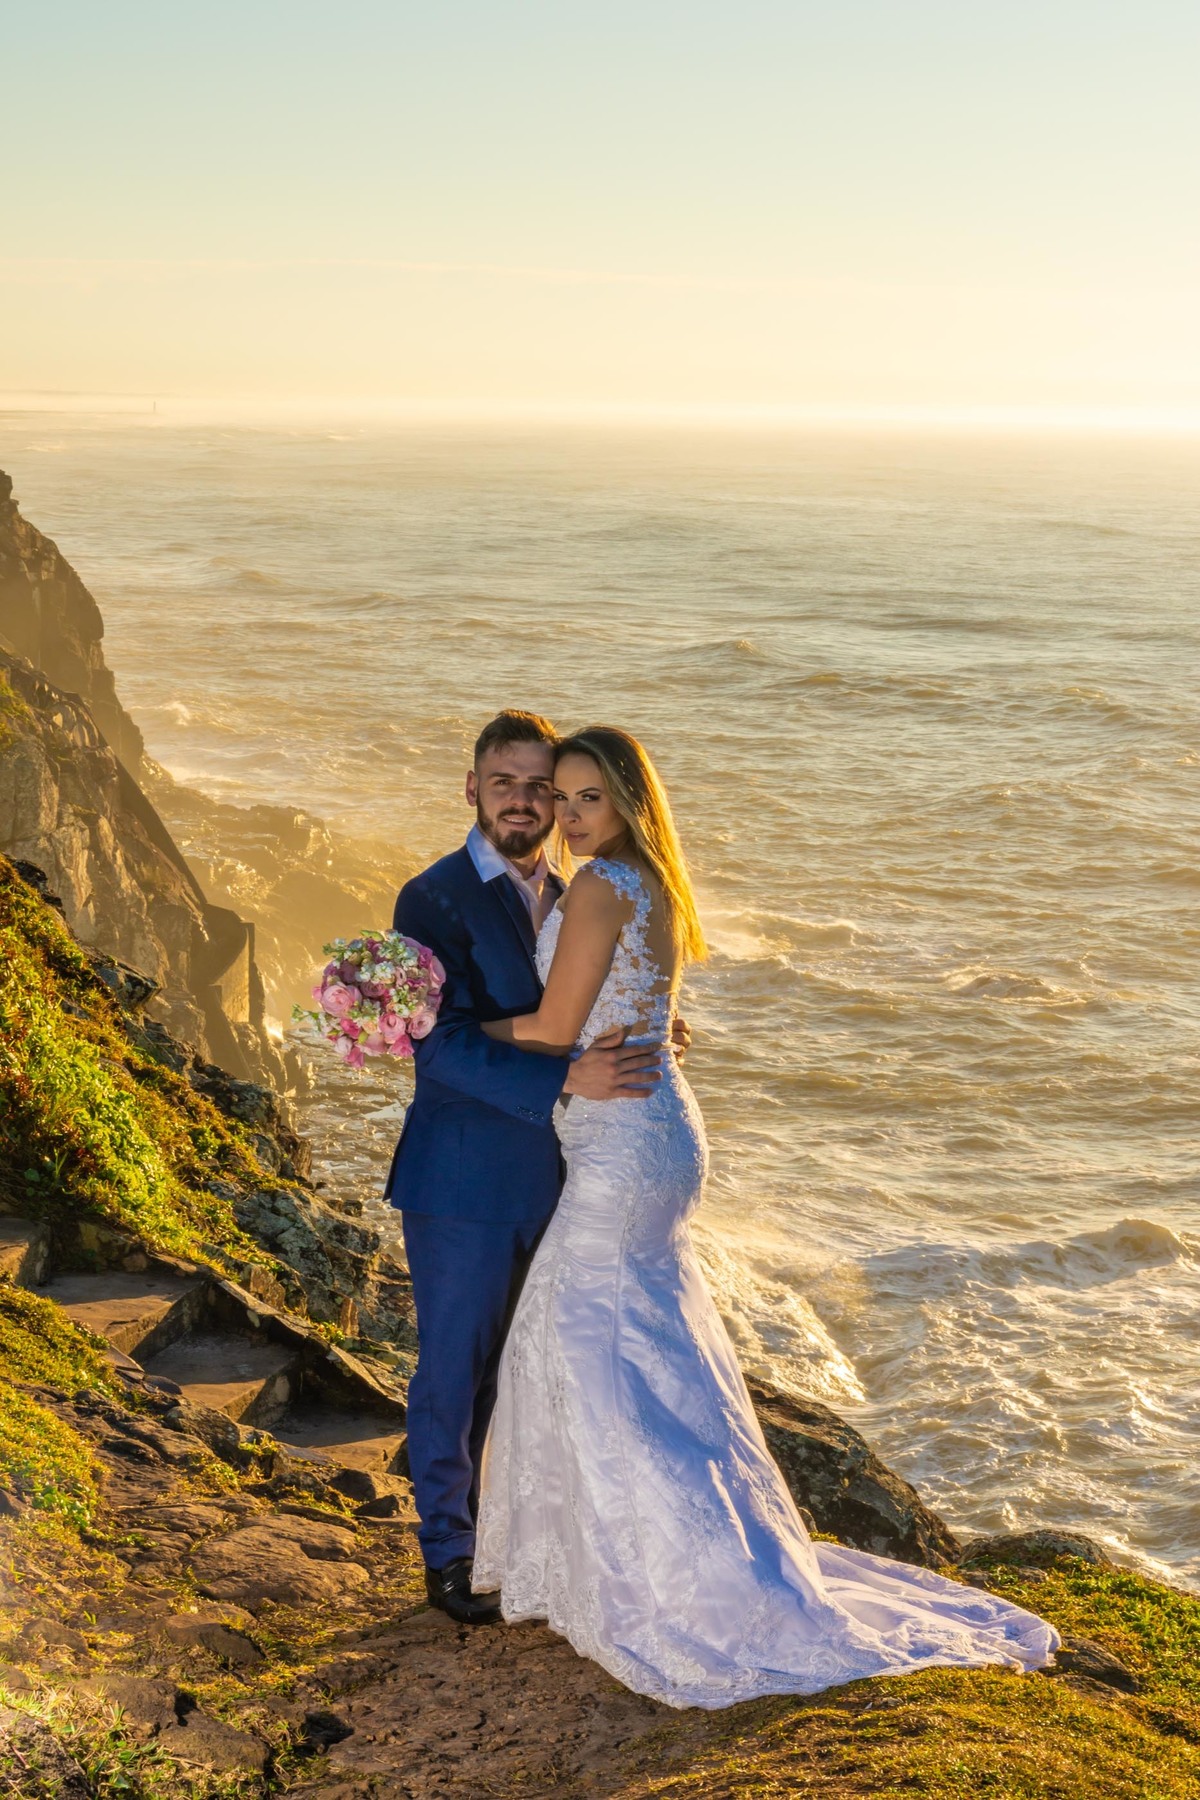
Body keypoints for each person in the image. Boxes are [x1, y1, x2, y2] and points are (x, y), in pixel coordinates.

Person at [473, 724, 1060, 1709]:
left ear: (627, 804)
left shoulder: (600, 888)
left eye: (588, 800)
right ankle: (628, 1558)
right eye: (560, 800)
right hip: (657, 1130)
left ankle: (669, 1580)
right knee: (641, 1343)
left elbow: (550, 1028)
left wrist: (437, 1018)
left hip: (623, 1147)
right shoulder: (651, 886)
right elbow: (643, 1005)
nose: (569, 818)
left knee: (580, 1341)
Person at [384, 710, 688, 1626]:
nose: (528, 801)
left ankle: (531, 1543)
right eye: (507, 782)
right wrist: (567, 1067)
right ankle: (449, 1554)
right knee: (455, 1368)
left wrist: (644, 1023)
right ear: (471, 788)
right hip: (465, 1177)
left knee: (532, 1369)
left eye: (543, 788)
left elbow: (594, 992)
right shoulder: (429, 899)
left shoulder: (582, 885)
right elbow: (431, 1051)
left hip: (569, 1172)